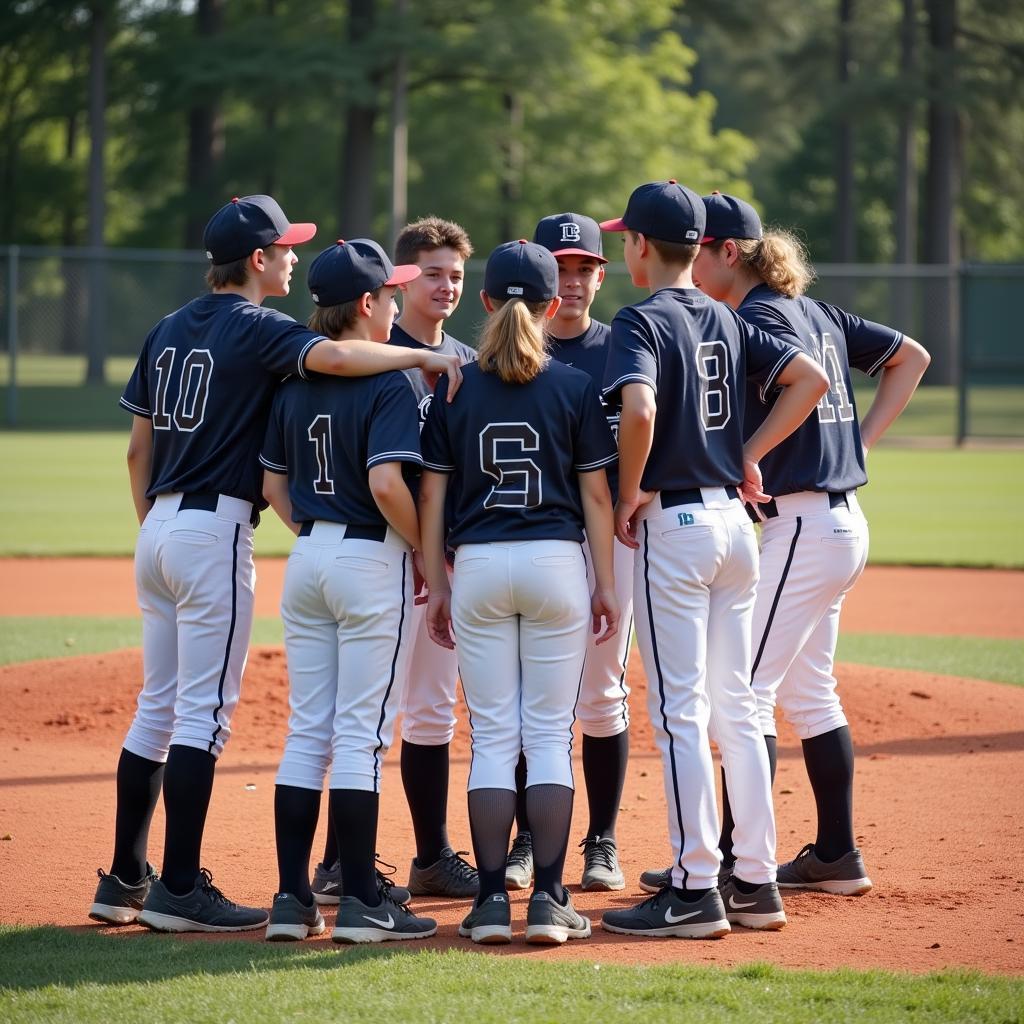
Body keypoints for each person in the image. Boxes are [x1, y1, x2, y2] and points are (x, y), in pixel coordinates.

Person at [88, 195, 464, 933]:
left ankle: (126, 875)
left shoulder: (166, 328)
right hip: (216, 528)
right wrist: (423, 354)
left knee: (157, 709)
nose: (292, 257)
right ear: (257, 261)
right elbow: (338, 356)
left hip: (158, 524)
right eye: (285, 247)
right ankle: (182, 885)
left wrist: (156, 528)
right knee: (205, 714)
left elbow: (137, 449)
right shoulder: (261, 327)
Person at [596, 180, 829, 939]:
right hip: (736, 525)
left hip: (678, 524)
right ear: (699, 248)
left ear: (637, 246)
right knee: (736, 710)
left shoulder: (639, 320)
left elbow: (638, 408)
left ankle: (695, 887)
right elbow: (811, 378)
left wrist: (629, 492)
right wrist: (749, 455)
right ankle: (755, 882)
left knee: (679, 713)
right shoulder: (727, 320)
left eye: (624, 238)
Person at [686, 192, 929, 894]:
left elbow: (888, 364)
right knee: (809, 691)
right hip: (840, 520)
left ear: (728, 253)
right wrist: (860, 446)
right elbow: (909, 358)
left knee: (744, 692)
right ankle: (834, 855)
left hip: (800, 526)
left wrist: (751, 452)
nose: (693, 266)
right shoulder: (818, 313)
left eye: (699, 252)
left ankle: (737, 865)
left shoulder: (754, 318)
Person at [419, 240, 620, 945]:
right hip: (556, 563)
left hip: (476, 565)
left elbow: (434, 493)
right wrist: (607, 584)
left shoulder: (456, 386)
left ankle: (486, 904)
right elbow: (598, 496)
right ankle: (551, 898)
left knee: (493, 737)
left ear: (483, 303)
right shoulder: (572, 386)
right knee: (549, 736)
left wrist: (436, 579)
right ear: (549, 304)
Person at [260, 238, 438, 943]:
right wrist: (424, 552)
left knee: (309, 731)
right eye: (390, 294)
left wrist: (314, 527)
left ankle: (289, 899)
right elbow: (388, 484)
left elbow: (274, 484)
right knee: (360, 737)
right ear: (367, 305)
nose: (395, 303)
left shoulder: (292, 380)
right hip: (371, 559)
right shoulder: (390, 381)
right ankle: (362, 901)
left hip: (307, 559)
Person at [310, 217, 480, 905]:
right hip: (391, 556)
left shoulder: (465, 357)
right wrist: (420, 549)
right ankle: (336, 862)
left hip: (442, 558)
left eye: (457, 276)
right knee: (367, 716)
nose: (447, 286)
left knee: (434, 709)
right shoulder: (377, 350)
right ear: (401, 282)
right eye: (433, 273)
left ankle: (432, 854)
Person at [503, 213, 634, 894]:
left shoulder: (623, 349)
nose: (575, 279)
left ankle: (601, 840)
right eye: (564, 268)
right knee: (528, 699)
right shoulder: (513, 355)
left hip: (609, 541)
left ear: (601, 274)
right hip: (536, 544)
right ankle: (527, 837)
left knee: (602, 693)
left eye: (586, 267)